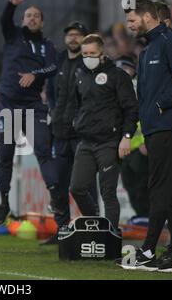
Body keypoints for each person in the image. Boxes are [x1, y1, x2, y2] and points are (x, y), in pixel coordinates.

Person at [120, 0, 172, 272]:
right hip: (161, 128)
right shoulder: (150, 49)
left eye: (132, 20)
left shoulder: (171, 43)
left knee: (160, 189)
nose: (129, 26)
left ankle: (147, 250)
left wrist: (159, 105)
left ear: (146, 16)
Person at [0, 0, 59, 225]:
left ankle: (56, 200)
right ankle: (4, 203)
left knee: (43, 151)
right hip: (8, 106)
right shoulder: (13, 36)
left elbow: (53, 67)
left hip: (33, 105)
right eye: (28, 15)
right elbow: (4, 21)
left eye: (36, 16)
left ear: (41, 22)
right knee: (5, 155)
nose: (31, 18)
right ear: (23, 20)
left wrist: (35, 74)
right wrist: (10, 5)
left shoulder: (47, 45)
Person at [69, 34, 139, 231]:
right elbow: (77, 103)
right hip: (86, 141)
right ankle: (97, 225)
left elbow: (131, 109)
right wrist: (76, 122)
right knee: (77, 188)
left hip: (109, 142)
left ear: (102, 54)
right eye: (85, 54)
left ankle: (111, 238)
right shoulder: (80, 75)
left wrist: (126, 137)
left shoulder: (118, 76)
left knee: (108, 192)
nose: (88, 57)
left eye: (92, 53)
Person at [42, 21, 98, 245]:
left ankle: (93, 228)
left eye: (77, 35)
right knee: (58, 183)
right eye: (70, 35)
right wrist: (54, 115)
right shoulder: (58, 61)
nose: (73, 38)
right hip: (60, 132)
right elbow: (51, 92)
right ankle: (62, 229)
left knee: (86, 184)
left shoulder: (90, 64)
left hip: (82, 134)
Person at [115, 56, 150, 217]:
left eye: (125, 69)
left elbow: (149, 115)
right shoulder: (115, 89)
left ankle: (149, 218)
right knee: (129, 185)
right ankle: (142, 218)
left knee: (143, 185)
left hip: (140, 147)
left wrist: (148, 141)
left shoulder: (142, 87)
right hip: (124, 146)